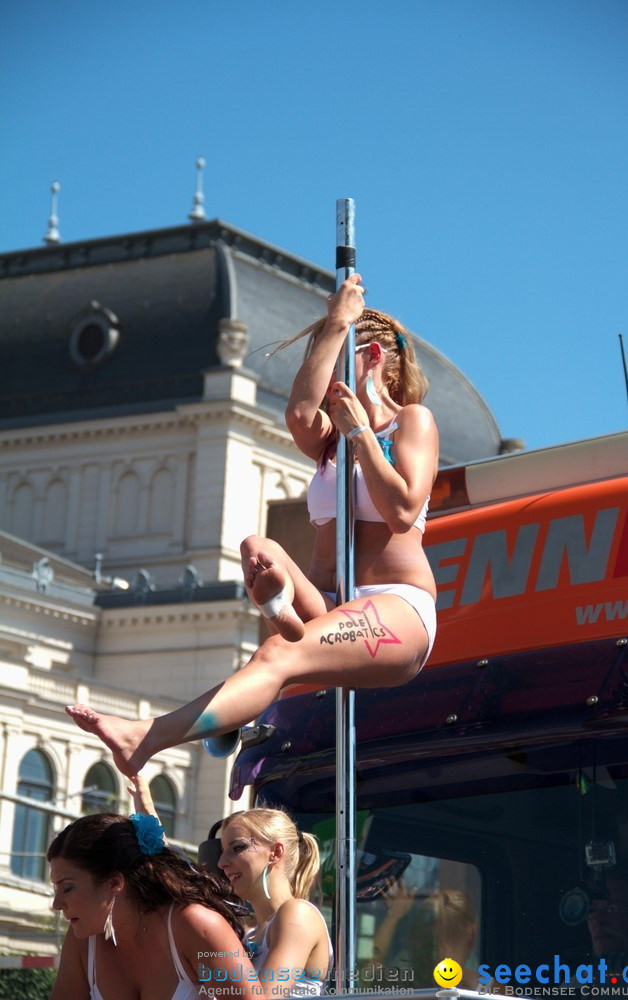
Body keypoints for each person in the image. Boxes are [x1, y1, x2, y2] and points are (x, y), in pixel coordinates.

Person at [64, 273, 439, 776]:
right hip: (329, 603)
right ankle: (282, 614)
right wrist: (335, 325)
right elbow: (300, 413)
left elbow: (402, 510)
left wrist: (363, 433)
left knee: (275, 657)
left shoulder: (411, 422)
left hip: (397, 607)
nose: (323, 377)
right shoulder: (330, 442)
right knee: (257, 546)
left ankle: (148, 735)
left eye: (333, 363)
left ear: (371, 359)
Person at [48, 812, 254, 999]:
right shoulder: (82, 940)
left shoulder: (197, 925)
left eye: (67, 888)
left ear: (114, 883)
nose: (56, 904)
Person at [218, 808, 333, 996]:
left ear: (276, 852)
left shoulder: (298, 913)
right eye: (222, 851)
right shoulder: (250, 932)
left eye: (237, 848)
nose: (221, 862)